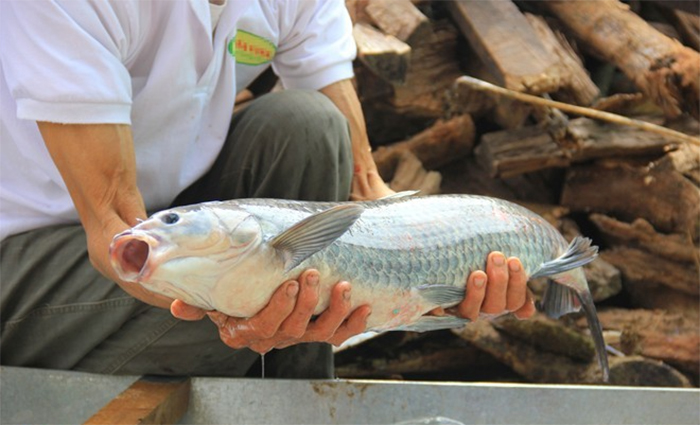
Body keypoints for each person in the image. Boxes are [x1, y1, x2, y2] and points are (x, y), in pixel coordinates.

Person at [0, 0, 535, 378]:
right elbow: (117, 233)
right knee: (244, 302)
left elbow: (364, 186)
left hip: (180, 221)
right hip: (29, 254)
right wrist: (242, 314)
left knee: (307, 124)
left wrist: (424, 281)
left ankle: (292, 398)